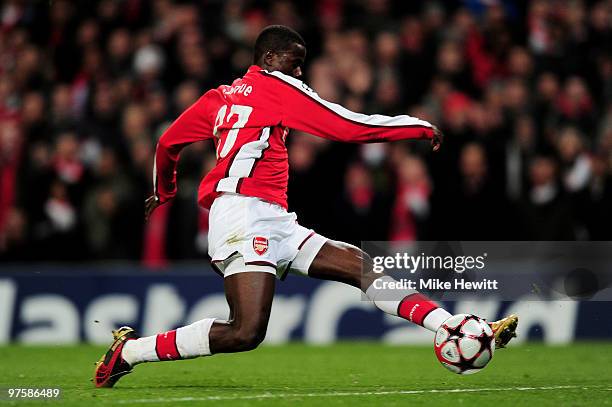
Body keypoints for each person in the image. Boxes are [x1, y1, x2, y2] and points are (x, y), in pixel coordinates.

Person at [94, 25, 517, 388]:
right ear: (271, 57)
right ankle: (130, 352)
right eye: (295, 62)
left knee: (361, 267)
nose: (300, 72)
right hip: (243, 214)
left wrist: (164, 189)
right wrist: (416, 125)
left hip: (273, 217)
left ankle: (449, 325)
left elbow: (168, 143)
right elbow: (347, 126)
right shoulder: (276, 87)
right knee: (245, 331)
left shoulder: (219, 97)